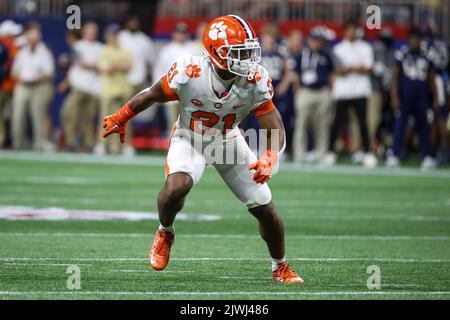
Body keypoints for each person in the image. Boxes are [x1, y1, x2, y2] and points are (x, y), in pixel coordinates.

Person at [102, 15, 303, 283]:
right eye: (238, 52)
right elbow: (152, 93)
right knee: (175, 188)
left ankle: (280, 265)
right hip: (189, 138)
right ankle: (165, 231)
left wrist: (270, 155)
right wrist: (121, 117)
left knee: (265, 207)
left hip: (227, 141)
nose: (247, 59)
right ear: (215, 52)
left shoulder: (254, 79)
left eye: (248, 51)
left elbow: (272, 122)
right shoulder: (190, 71)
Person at [387, 27, 439, 169]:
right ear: (409, 39)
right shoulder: (402, 53)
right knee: (400, 126)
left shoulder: (427, 54)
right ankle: (394, 155)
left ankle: (426, 156)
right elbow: (395, 76)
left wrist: (435, 97)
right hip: (405, 96)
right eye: (413, 38)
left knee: (423, 126)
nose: (415, 41)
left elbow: (431, 78)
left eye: (417, 38)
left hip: (422, 96)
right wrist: (394, 95)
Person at [328, 20, 377, 167]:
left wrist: (350, 69)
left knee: (363, 123)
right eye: (349, 29)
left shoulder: (365, 47)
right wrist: (357, 68)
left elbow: (368, 68)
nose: (351, 32)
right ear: (344, 32)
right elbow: (338, 71)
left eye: (354, 29)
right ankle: (330, 151)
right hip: (343, 91)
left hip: (360, 90)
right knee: (337, 123)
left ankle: (368, 152)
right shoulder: (338, 49)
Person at [292, 27, 334, 164]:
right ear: (309, 40)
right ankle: (299, 154)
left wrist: (330, 91)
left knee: (322, 124)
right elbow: (296, 74)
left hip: (321, 91)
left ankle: (322, 154)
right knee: (301, 123)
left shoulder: (325, 55)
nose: (316, 43)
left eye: (318, 41)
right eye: (314, 40)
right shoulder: (301, 55)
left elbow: (331, 74)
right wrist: (297, 90)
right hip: (305, 91)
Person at [11, 26, 55, 150]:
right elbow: (14, 72)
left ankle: (39, 142)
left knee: (38, 115)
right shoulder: (22, 52)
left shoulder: (44, 52)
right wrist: (22, 79)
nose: (31, 41)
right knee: (18, 114)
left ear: (37, 39)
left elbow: (49, 73)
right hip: (23, 86)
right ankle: (18, 142)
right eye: (29, 39)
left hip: (38, 87)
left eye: (34, 38)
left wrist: (35, 78)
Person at [61, 22, 103, 152]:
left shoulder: (100, 47)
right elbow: (78, 63)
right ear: (85, 32)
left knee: (88, 119)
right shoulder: (78, 46)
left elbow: (101, 67)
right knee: (68, 113)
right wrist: (94, 66)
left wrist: (90, 65)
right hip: (78, 87)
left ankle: (88, 144)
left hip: (93, 88)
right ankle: (71, 141)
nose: (92, 33)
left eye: (94, 31)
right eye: (90, 31)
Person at [95, 24, 133, 155]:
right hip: (108, 90)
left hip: (123, 89)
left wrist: (114, 64)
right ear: (107, 36)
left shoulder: (125, 49)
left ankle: (125, 147)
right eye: (112, 34)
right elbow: (106, 69)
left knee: (125, 120)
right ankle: (102, 145)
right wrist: (119, 65)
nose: (114, 37)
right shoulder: (104, 50)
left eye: (116, 34)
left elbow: (129, 66)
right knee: (105, 120)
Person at [0, 20, 22, 148]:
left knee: (14, 115)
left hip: (13, 86)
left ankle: (12, 139)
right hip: (5, 86)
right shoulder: (6, 46)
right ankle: (4, 138)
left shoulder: (15, 47)